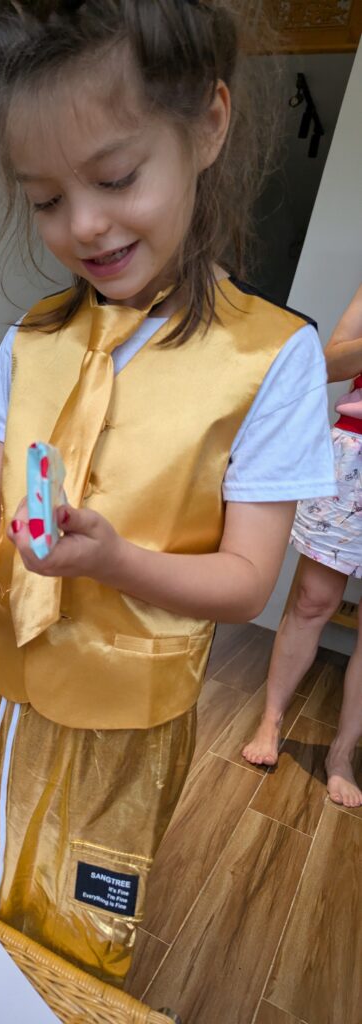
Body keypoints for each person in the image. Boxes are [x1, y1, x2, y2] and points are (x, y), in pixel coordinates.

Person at [0, 0, 335, 987]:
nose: (83, 225)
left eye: (114, 178)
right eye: (46, 198)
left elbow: (244, 583)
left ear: (209, 125)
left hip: (123, 729)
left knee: (68, 951)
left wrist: (112, 560)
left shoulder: (274, 359)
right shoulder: (34, 339)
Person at [243, 284, 362, 808]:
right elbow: (329, 362)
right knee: (313, 599)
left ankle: (342, 754)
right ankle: (271, 721)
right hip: (358, 452)